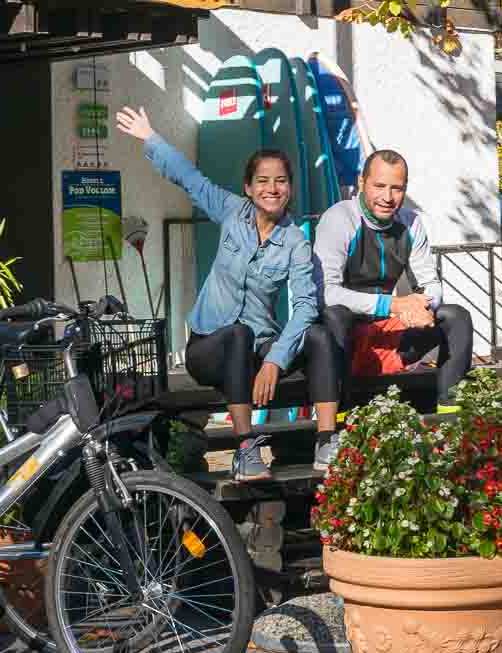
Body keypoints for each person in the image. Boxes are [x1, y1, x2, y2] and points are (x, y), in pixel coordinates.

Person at [113, 105, 345, 479]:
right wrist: (150, 137)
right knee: (239, 332)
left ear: (290, 187)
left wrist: (275, 361)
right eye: (264, 181)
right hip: (210, 349)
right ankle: (245, 449)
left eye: (281, 180)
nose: (273, 188)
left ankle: (325, 441)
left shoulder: (295, 243)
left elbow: (304, 306)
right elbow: (190, 179)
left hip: (259, 351)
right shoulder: (231, 211)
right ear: (248, 188)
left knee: (319, 335)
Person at [314, 149, 474, 409]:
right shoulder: (339, 218)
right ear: (361, 182)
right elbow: (326, 294)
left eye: (396, 188)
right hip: (344, 341)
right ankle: (338, 419)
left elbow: (430, 283)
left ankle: (450, 416)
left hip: (389, 336)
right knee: (335, 315)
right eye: (379, 186)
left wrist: (424, 308)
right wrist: (395, 305)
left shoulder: (411, 223)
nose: (387, 197)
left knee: (456, 316)